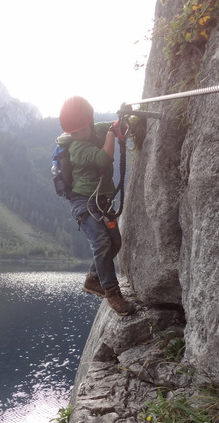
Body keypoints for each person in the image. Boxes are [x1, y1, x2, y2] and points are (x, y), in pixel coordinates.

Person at [57, 96, 135, 316]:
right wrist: (112, 133)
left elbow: (115, 127)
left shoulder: (99, 129)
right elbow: (103, 158)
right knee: (101, 243)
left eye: (81, 130)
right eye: (73, 132)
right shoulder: (76, 148)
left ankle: (93, 279)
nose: (78, 135)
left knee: (115, 243)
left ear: (90, 122)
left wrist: (122, 123)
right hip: (83, 201)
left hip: (101, 199)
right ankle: (112, 292)